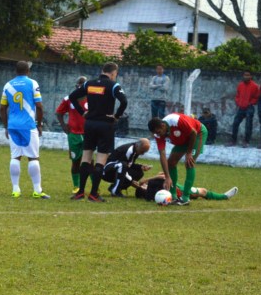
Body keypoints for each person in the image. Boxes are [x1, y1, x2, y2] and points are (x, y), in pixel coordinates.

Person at [68, 61, 128, 202]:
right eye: (115, 74)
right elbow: (124, 101)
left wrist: (82, 112)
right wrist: (117, 116)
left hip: (89, 124)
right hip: (105, 125)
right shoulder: (113, 85)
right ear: (113, 73)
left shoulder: (89, 84)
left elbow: (72, 96)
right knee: (101, 159)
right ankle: (94, 194)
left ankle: (80, 192)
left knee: (86, 158)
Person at [0, 61, 50, 199]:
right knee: (33, 157)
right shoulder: (32, 83)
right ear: (28, 71)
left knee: (15, 156)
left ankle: (15, 190)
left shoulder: (8, 85)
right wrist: (39, 124)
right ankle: (37, 190)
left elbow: (2, 108)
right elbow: (39, 106)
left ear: (15, 71)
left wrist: (6, 126)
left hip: (13, 125)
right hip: (28, 126)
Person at [147, 112, 208, 206]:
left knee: (189, 162)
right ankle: (173, 196)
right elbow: (162, 154)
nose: (159, 135)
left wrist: (189, 152)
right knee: (171, 163)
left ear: (163, 125)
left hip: (198, 134)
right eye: (155, 133)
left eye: (159, 132)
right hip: (184, 139)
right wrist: (167, 176)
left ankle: (185, 197)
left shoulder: (176, 120)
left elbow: (193, 133)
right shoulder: (158, 134)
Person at [56, 76, 88, 193]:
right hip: (74, 135)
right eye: (79, 83)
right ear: (76, 85)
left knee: (89, 161)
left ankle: (94, 188)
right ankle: (76, 186)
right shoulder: (68, 99)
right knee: (76, 161)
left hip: (88, 134)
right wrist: (63, 125)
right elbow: (59, 112)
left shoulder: (92, 98)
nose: (81, 86)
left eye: (83, 84)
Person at [134, 173, 238, 202]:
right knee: (203, 191)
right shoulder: (151, 184)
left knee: (198, 193)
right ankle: (224, 197)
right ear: (143, 187)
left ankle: (204, 196)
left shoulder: (149, 194)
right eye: (143, 185)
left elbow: (162, 175)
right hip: (177, 189)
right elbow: (163, 176)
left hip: (175, 188)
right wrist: (146, 179)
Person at [229, 71, 259, 147]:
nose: (246, 77)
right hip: (241, 107)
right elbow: (237, 95)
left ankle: (246, 141)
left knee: (248, 125)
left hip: (249, 107)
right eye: (245, 75)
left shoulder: (254, 86)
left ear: (251, 76)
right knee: (235, 123)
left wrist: (250, 103)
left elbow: (257, 97)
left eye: (248, 75)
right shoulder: (240, 85)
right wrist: (238, 102)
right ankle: (233, 140)